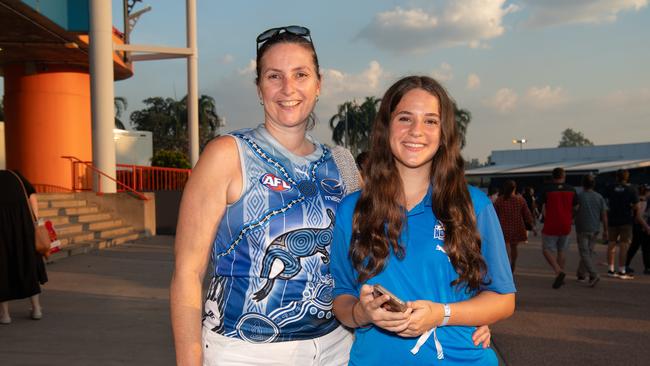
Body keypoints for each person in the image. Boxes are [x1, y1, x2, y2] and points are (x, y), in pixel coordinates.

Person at [170, 25, 363, 365]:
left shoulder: (343, 164)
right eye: (274, 76)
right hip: (244, 352)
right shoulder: (227, 154)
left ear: (318, 84)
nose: (288, 88)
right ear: (259, 89)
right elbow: (188, 272)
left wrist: (464, 313)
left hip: (335, 348)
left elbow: (373, 257)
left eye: (300, 74)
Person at [330, 76, 515, 365]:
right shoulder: (352, 210)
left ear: (444, 133)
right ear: (386, 127)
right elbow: (341, 297)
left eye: (431, 121)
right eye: (405, 118)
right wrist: (361, 313)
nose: (416, 131)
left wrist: (442, 314)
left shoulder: (472, 205)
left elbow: (503, 300)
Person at [0, 170, 48, 324]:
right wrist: (35, 221)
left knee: (2, 269)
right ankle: (36, 309)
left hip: (1, 233)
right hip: (23, 229)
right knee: (28, 265)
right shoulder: (15, 175)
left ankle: (5, 315)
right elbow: (32, 197)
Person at [539, 167, 578, 289]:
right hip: (566, 224)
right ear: (564, 176)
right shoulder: (571, 190)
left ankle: (558, 271)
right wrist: (571, 217)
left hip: (551, 223)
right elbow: (577, 206)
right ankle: (560, 275)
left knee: (546, 249)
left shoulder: (547, 190)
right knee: (562, 250)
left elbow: (541, 205)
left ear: (552, 176)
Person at [494, 180, 535, 273]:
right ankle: (513, 262)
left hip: (503, 227)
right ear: (515, 188)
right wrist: (532, 225)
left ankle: (506, 265)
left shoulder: (499, 200)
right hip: (517, 227)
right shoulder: (520, 199)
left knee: (505, 247)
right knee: (514, 247)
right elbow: (527, 214)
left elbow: (494, 214)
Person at [604, 169, 638, 279]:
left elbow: (606, 201)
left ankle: (610, 269)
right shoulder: (631, 189)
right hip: (626, 220)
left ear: (616, 177)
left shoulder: (610, 187)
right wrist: (630, 209)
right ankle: (622, 271)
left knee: (611, 244)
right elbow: (636, 205)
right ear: (627, 177)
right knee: (624, 246)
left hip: (612, 219)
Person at [574, 174, 608, 287]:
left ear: (583, 184)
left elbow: (574, 210)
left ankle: (594, 274)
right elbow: (604, 215)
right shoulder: (599, 197)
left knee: (584, 253)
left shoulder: (579, 196)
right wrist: (605, 230)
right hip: (595, 228)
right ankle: (580, 273)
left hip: (582, 227)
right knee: (588, 252)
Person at [625, 184, 650, 274]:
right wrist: (647, 227)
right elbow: (639, 217)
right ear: (646, 192)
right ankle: (647, 267)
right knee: (644, 247)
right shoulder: (643, 201)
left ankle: (625, 265)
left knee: (635, 247)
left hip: (638, 227)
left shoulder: (638, 200)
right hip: (641, 227)